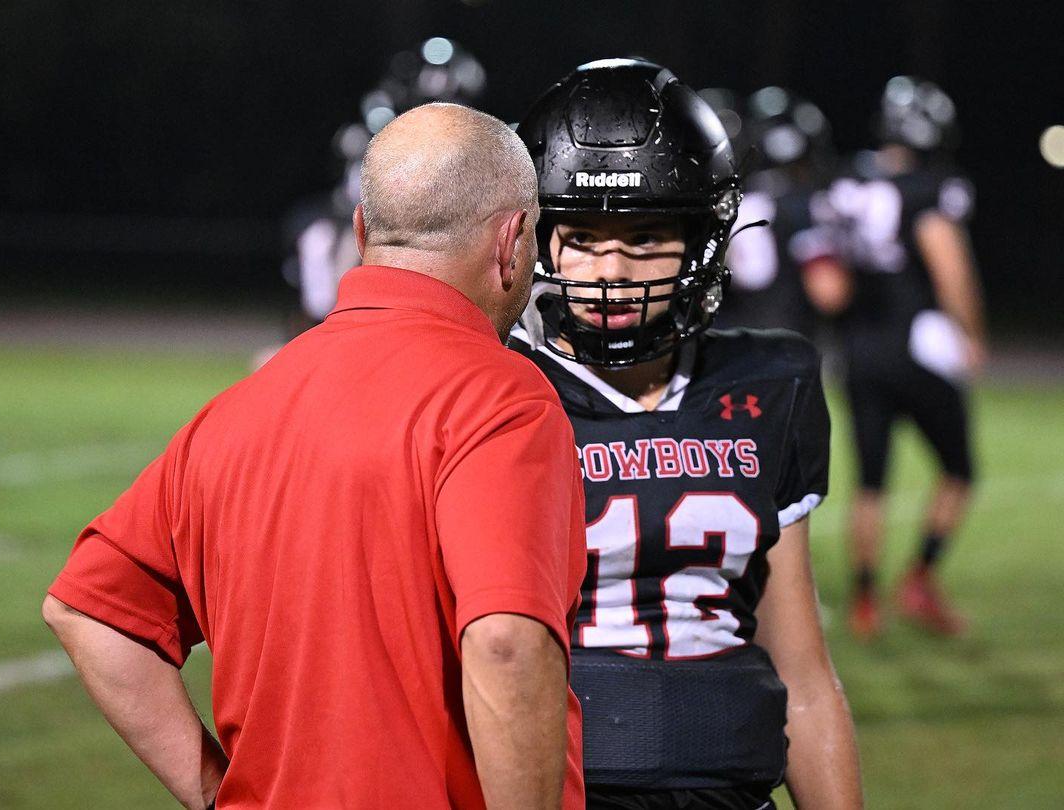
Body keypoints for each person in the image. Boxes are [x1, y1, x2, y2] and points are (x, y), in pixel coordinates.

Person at [42, 103, 587, 810]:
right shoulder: (501, 397)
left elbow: (86, 611)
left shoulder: (233, 411)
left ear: (361, 233)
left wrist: (214, 792)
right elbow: (507, 643)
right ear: (515, 241)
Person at [513, 59, 861, 810]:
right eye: (582, 236)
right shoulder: (494, 390)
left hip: (730, 785)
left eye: (645, 237)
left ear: (703, 236)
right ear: (540, 240)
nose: (610, 270)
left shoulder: (768, 382)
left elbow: (801, 668)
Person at [826, 76, 985, 639]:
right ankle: (919, 579)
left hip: (859, 348)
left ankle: (865, 601)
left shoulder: (849, 181)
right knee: (960, 468)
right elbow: (949, 265)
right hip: (917, 345)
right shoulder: (930, 187)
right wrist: (971, 330)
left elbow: (835, 282)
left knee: (870, 480)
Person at [717, 87, 850, 339]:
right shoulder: (803, 206)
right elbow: (830, 294)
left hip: (727, 344)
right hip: (786, 344)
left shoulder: (728, 205)